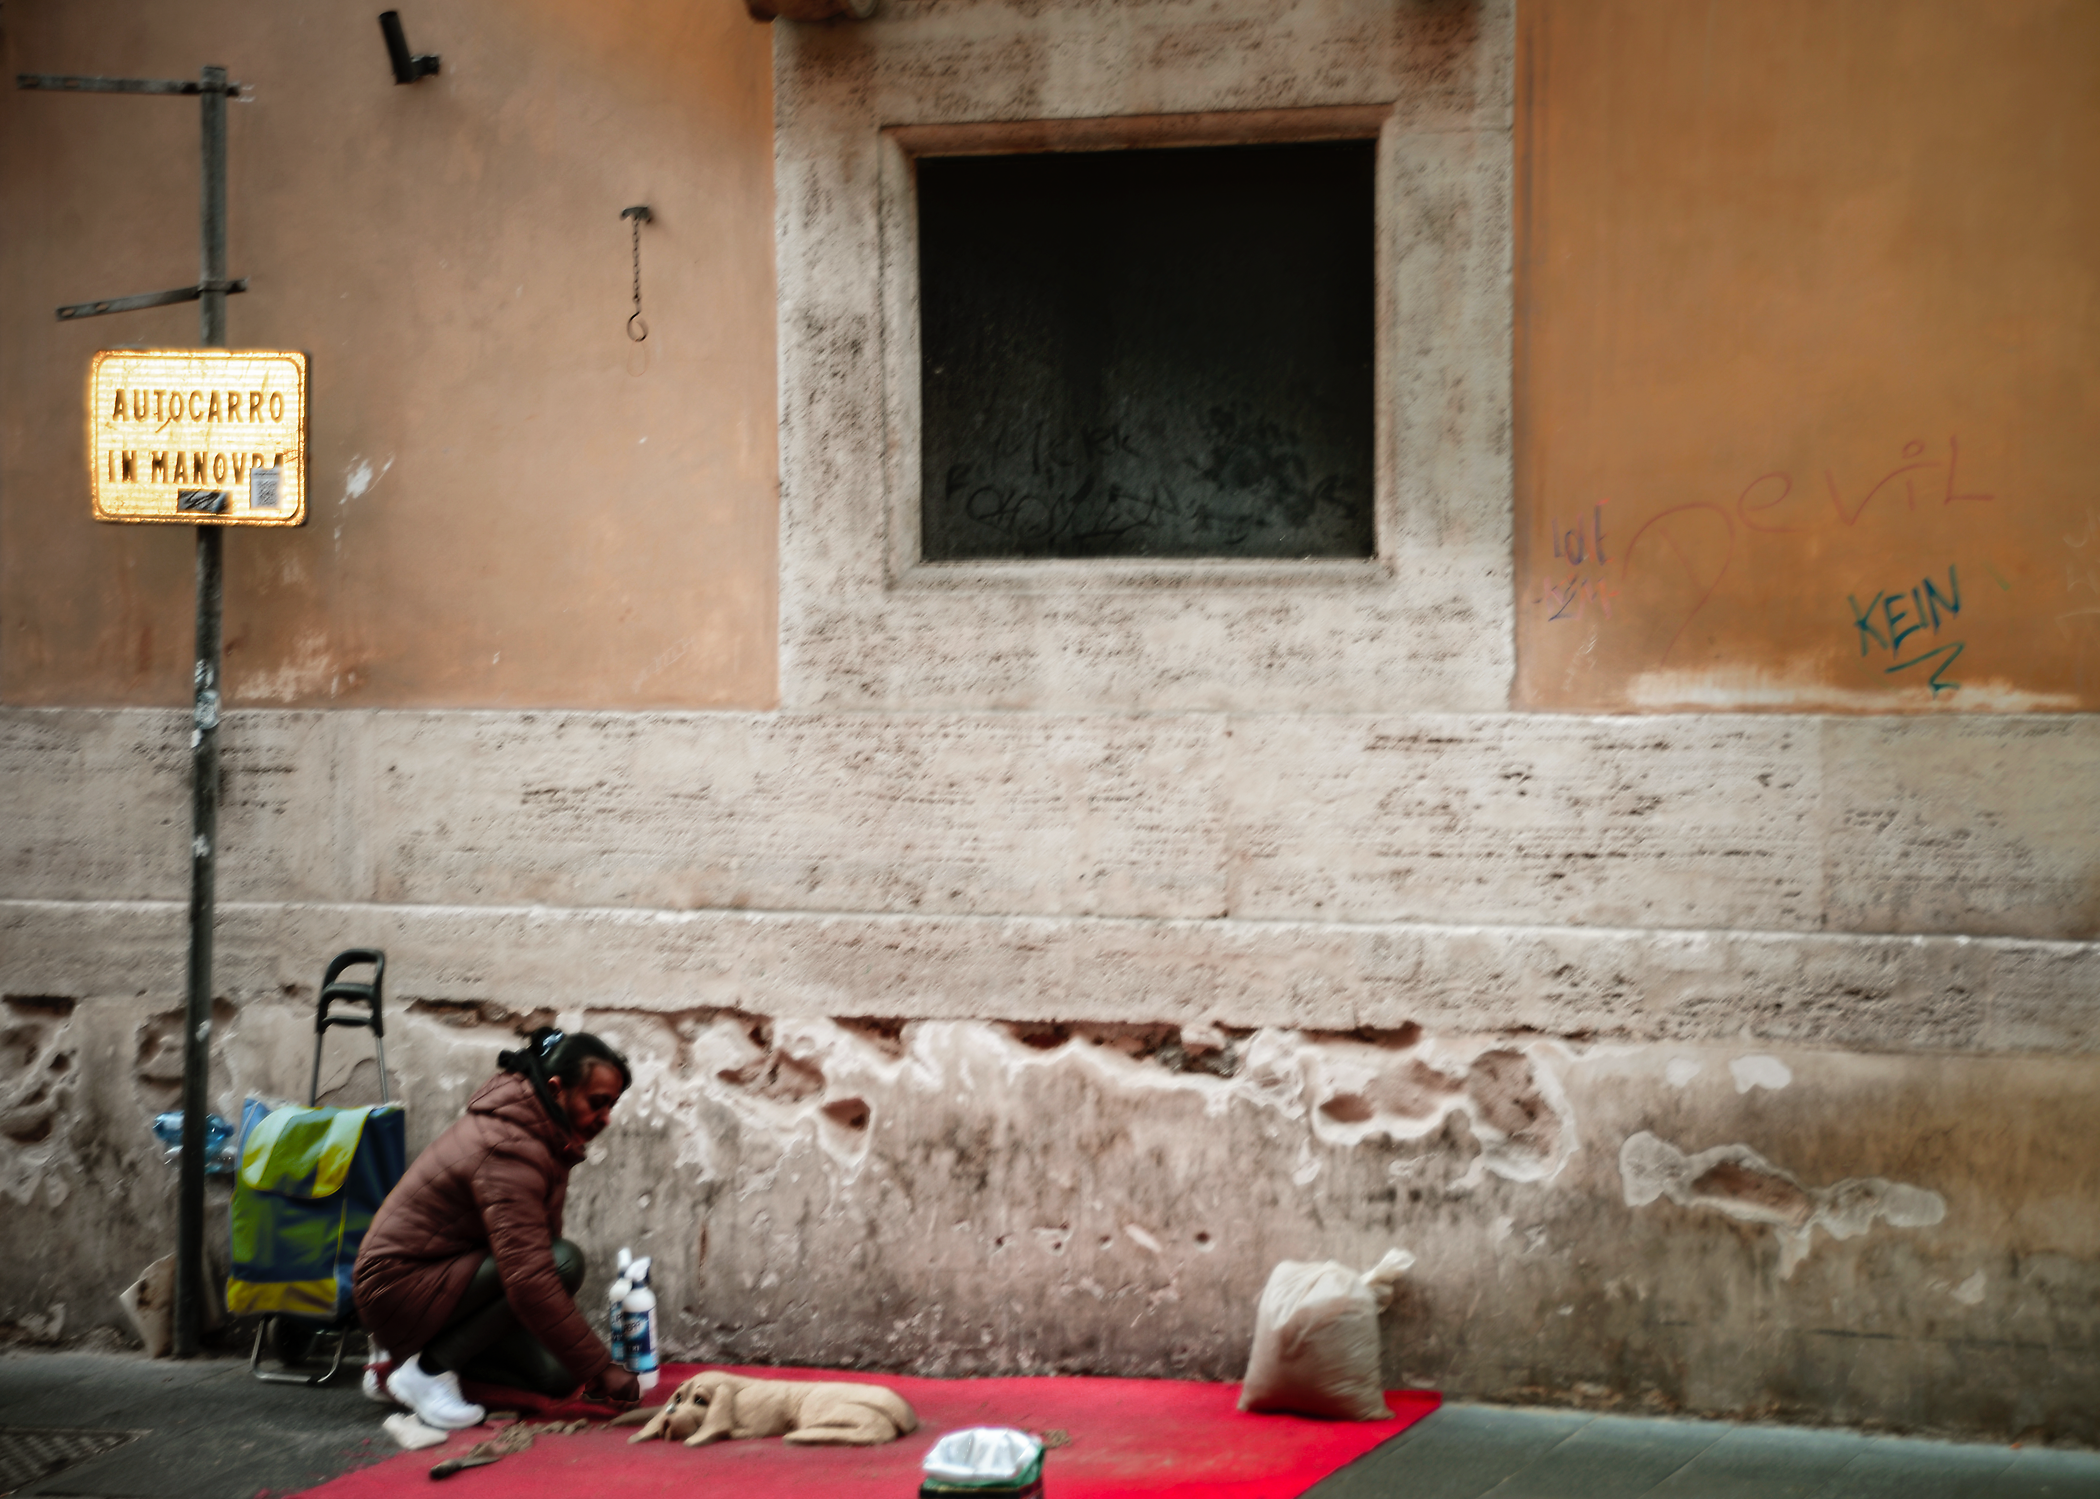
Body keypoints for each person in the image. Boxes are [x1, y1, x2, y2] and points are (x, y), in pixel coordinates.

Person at [354, 1028, 642, 1429]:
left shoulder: (542, 1135)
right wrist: (600, 1367)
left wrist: (584, 1366)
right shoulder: (508, 1145)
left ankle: (399, 1368)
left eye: (612, 1105)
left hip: (445, 1284)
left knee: (558, 1378)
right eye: (598, 1103)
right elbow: (530, 1277)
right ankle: (427, 1372)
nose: (606, 1118)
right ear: (557, 1089)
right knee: (563, 1263)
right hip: (397, 1290)